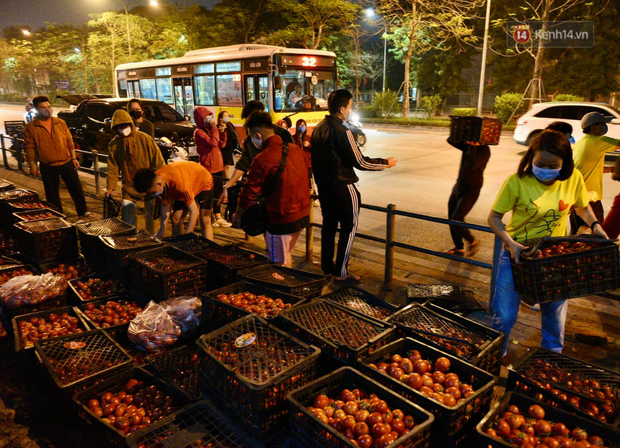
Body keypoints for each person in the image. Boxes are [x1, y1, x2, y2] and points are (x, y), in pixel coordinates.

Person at [488, 130, 607, 355]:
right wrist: (511, 243)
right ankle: (497, 353)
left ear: (565, 163)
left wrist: (595, 225)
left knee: (554, 313)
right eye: (541, 163)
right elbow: (494, 217)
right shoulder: (516, 182)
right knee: (504, 314)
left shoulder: (573, 179)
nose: (547, 170)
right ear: (531, 157)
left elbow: (582, 205)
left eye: (554, 166)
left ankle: (552, 356)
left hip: (552, 257)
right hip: (516, 256)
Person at [311, 89, 397, 283]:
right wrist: (386, 162)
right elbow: (361, 162)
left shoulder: (318, 128)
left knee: (329, 228)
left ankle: (327, 268)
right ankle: (341, 273)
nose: (350, 111)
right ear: (342, 109)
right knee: (349, 229)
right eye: (350, 107)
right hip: (344, 188)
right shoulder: (344, 131)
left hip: (324, 188)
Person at [232, 112, 311, 267]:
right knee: (286, 255)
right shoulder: (296, 150)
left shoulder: (263, 159)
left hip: (281, 218)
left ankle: (282, 290)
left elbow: (248, 192)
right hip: (302, 215)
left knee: (277, 265)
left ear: (258, 135)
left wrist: (238, 216)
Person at [23, 95, 92, 218]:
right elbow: (30, 148)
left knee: (76, 189)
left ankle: (83, 211)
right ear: (37, 109)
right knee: (52, 193)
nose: (47, 109)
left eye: (48, 106)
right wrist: (33, 166)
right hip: (48, 165)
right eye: (43, 107)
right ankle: (57, 215)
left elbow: (69, 141)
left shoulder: (60, 123)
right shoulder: (31, 128)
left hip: (66, 162)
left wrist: (74, 158)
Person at [105, 109, 165, 234]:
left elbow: (158, 161)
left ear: (130, 124)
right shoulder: (115, 145)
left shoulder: (144, 139)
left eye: (125, 125)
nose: (123, 129)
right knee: (128, 216)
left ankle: (151, 237)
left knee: (152, 215)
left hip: (149, 183)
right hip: (129, 185)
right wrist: (110, 186)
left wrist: (159, 181)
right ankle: (131, 238)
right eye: (119, 127)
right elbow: (113, 167)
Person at [220, 101, 293, 196]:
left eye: (248, 119)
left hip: (283, 190)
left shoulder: (283, 135)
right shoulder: (249, 141)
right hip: (260, 191)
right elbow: (243, 164)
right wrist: (228, 186)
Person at [133, 162, 214, 240]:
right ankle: (178, 245)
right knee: (176, 218)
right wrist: (161, 232)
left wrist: (187, 236)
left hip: (202, 180)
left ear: (158, 184)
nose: (153, 195)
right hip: (186, 179)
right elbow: (165, 205)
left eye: (153, 193)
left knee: (205, 219)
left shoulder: (179, 184)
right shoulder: (157, 180)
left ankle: (209, 248)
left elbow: (195, 212)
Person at [570, 112, 620, 233]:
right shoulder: (598, 141)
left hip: (575, 196)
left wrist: (614, 169)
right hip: (589, 198)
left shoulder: (582, 142)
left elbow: (593, 167)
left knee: (577, 235)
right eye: (602, 124)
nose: (604, 127)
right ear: (593, 127)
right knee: (597, 236)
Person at [444, 139, 490, 257]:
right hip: (459, 185)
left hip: (471, 189)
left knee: (457, 218)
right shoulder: (467, 146)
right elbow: (451, 140)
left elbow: (471, 164)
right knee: (451, 218)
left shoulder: (484, 150)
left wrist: (474, 146)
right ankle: (459, 248)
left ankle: (472, 241)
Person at [194, 107, 230, 228]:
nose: (209, 120)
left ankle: (218, 216)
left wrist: (223, 132)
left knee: (219, 192)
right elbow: (213, 143)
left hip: (218, 165)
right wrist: (214, 128)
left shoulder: (210, 131)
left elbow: (221, 144)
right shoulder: (199, 132)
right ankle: (208, 218)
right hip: (208, 167)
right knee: (210, 193)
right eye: (207, 117)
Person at [217, 110, 239, 178]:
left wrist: (235, 149)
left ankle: (226, 180)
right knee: (222, 166)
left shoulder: (230, 125)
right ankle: (224, 180)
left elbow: (234, 136)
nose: (227, 118)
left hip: (229, 148)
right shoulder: (218, 126)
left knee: (227, 166)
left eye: (227, 116)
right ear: (221, 118)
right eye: (225, 116)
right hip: (222, 149)